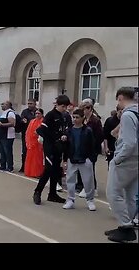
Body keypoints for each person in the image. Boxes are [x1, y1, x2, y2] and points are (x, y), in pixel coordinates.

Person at [104, 87, 138, 243]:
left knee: (113, 193)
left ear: (121, 98)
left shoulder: (128, 115)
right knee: (130, 195)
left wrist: (117, 159)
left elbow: (130, 143)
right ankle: (127, 225)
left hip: (126, 159)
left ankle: (126, 226)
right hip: (136, 160)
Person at [32, 95, 70, 205]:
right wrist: (53, 138)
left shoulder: (63, 116)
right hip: (50, 147)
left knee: (56, 170)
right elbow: (41, 130)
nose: (65, 109)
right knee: (48, 169)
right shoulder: (50, 115)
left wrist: (63, 136)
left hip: (58, 147)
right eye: (64, 106)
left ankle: (52, 194)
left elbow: (63, 130)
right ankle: (37, 191)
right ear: (59, 105)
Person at [62, 108, 97, 211]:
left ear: (83, 118)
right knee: (70, 180)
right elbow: (66, 147)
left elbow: (92, 145)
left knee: (88, 181)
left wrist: (91, 159)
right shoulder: (69, 130)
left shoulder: (88, 130)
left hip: (85, 159)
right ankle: (70, 200)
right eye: (74, 117)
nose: (75, 119)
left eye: (77, 117)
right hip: (72, 158)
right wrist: (65, 159)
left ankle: (90, 200)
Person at [24, 108, 44, 178]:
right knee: (30, 158)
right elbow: (28, 131)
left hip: (38, 143)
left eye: (39, 113)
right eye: (36, 113)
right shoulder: (32, 121)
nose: (37, 115)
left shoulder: (43, 122)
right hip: (31, 142)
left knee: (38, 159)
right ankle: (30, 172)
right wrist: (27, 141)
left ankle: (38, 172)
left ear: (42, 114)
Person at [19, 99, 37, 172]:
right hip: (26, 134)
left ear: (35, 104)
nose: (29, 105)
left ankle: (33, 168)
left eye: (31, 103)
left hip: (35, 135)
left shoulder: (38, 111)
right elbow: (22, 119)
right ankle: (24, 167)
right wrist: (23, 121)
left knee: (34, 152)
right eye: (28, 103)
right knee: (25, 151)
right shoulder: (25, 112)